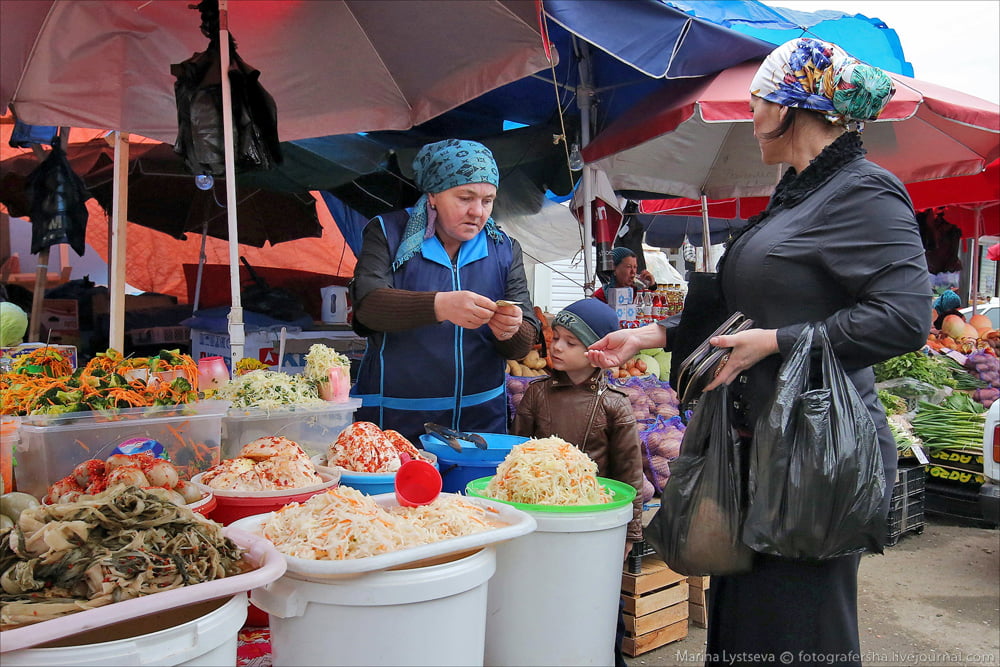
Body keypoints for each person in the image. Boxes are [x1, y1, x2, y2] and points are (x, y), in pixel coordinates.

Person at [586, 37, 931, 666]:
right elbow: (757, 303)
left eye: (757, 102)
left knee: (799, 633)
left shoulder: (865, 192)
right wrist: (652, 335)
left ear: (790, 106)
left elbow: (905, 319)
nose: (750, 116)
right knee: (745, 629)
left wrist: (778, 343)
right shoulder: (797, 191)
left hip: (814, 457)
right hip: (756, 448)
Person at [350, 139, 539, 443]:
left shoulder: (504, 249)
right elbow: (368, 307)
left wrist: (511, 330)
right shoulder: (387, 233)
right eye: (465, 197)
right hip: (396, 421)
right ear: (433, 195)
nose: (478, 212)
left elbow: (522, 342)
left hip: (480, 424)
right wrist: (441, 306)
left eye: (488, 200)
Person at [510, 297, 643, 667]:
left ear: (597, 350)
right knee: (543, 597)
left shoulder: (615, 404)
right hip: (540, 521)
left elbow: (630, 474)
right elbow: (514, 457)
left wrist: (630, 534)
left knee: (598, 598)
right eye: (556, 338)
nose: (556, 346)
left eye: (571, 342)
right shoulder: (536, 394)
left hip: (594, 523)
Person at [592, 247, 657, 303]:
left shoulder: (637, 293)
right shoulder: (599, 298)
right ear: (614, 269)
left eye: (635, 267)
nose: (633, 272)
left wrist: (652, 286)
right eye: (628, 267)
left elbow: (657, 308)